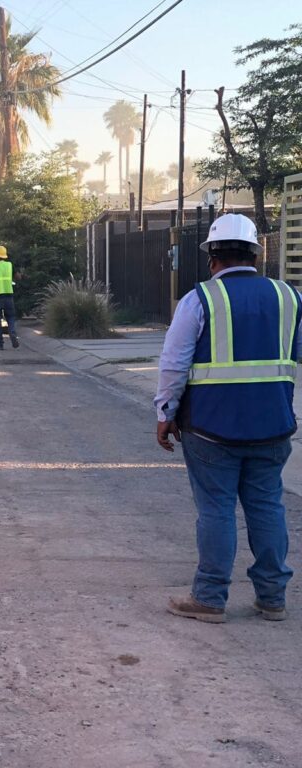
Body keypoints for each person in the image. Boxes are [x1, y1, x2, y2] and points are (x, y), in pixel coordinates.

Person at [155, 213, 299, 624]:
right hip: (273, 427)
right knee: (268, 506)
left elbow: (174, 364)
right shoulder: (289, 297)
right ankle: (272, 598)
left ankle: (210, 598)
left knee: (216, 509)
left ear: (211, 258)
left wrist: (165, 412)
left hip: (210, 429)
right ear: (256, 253)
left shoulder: (199, 300)